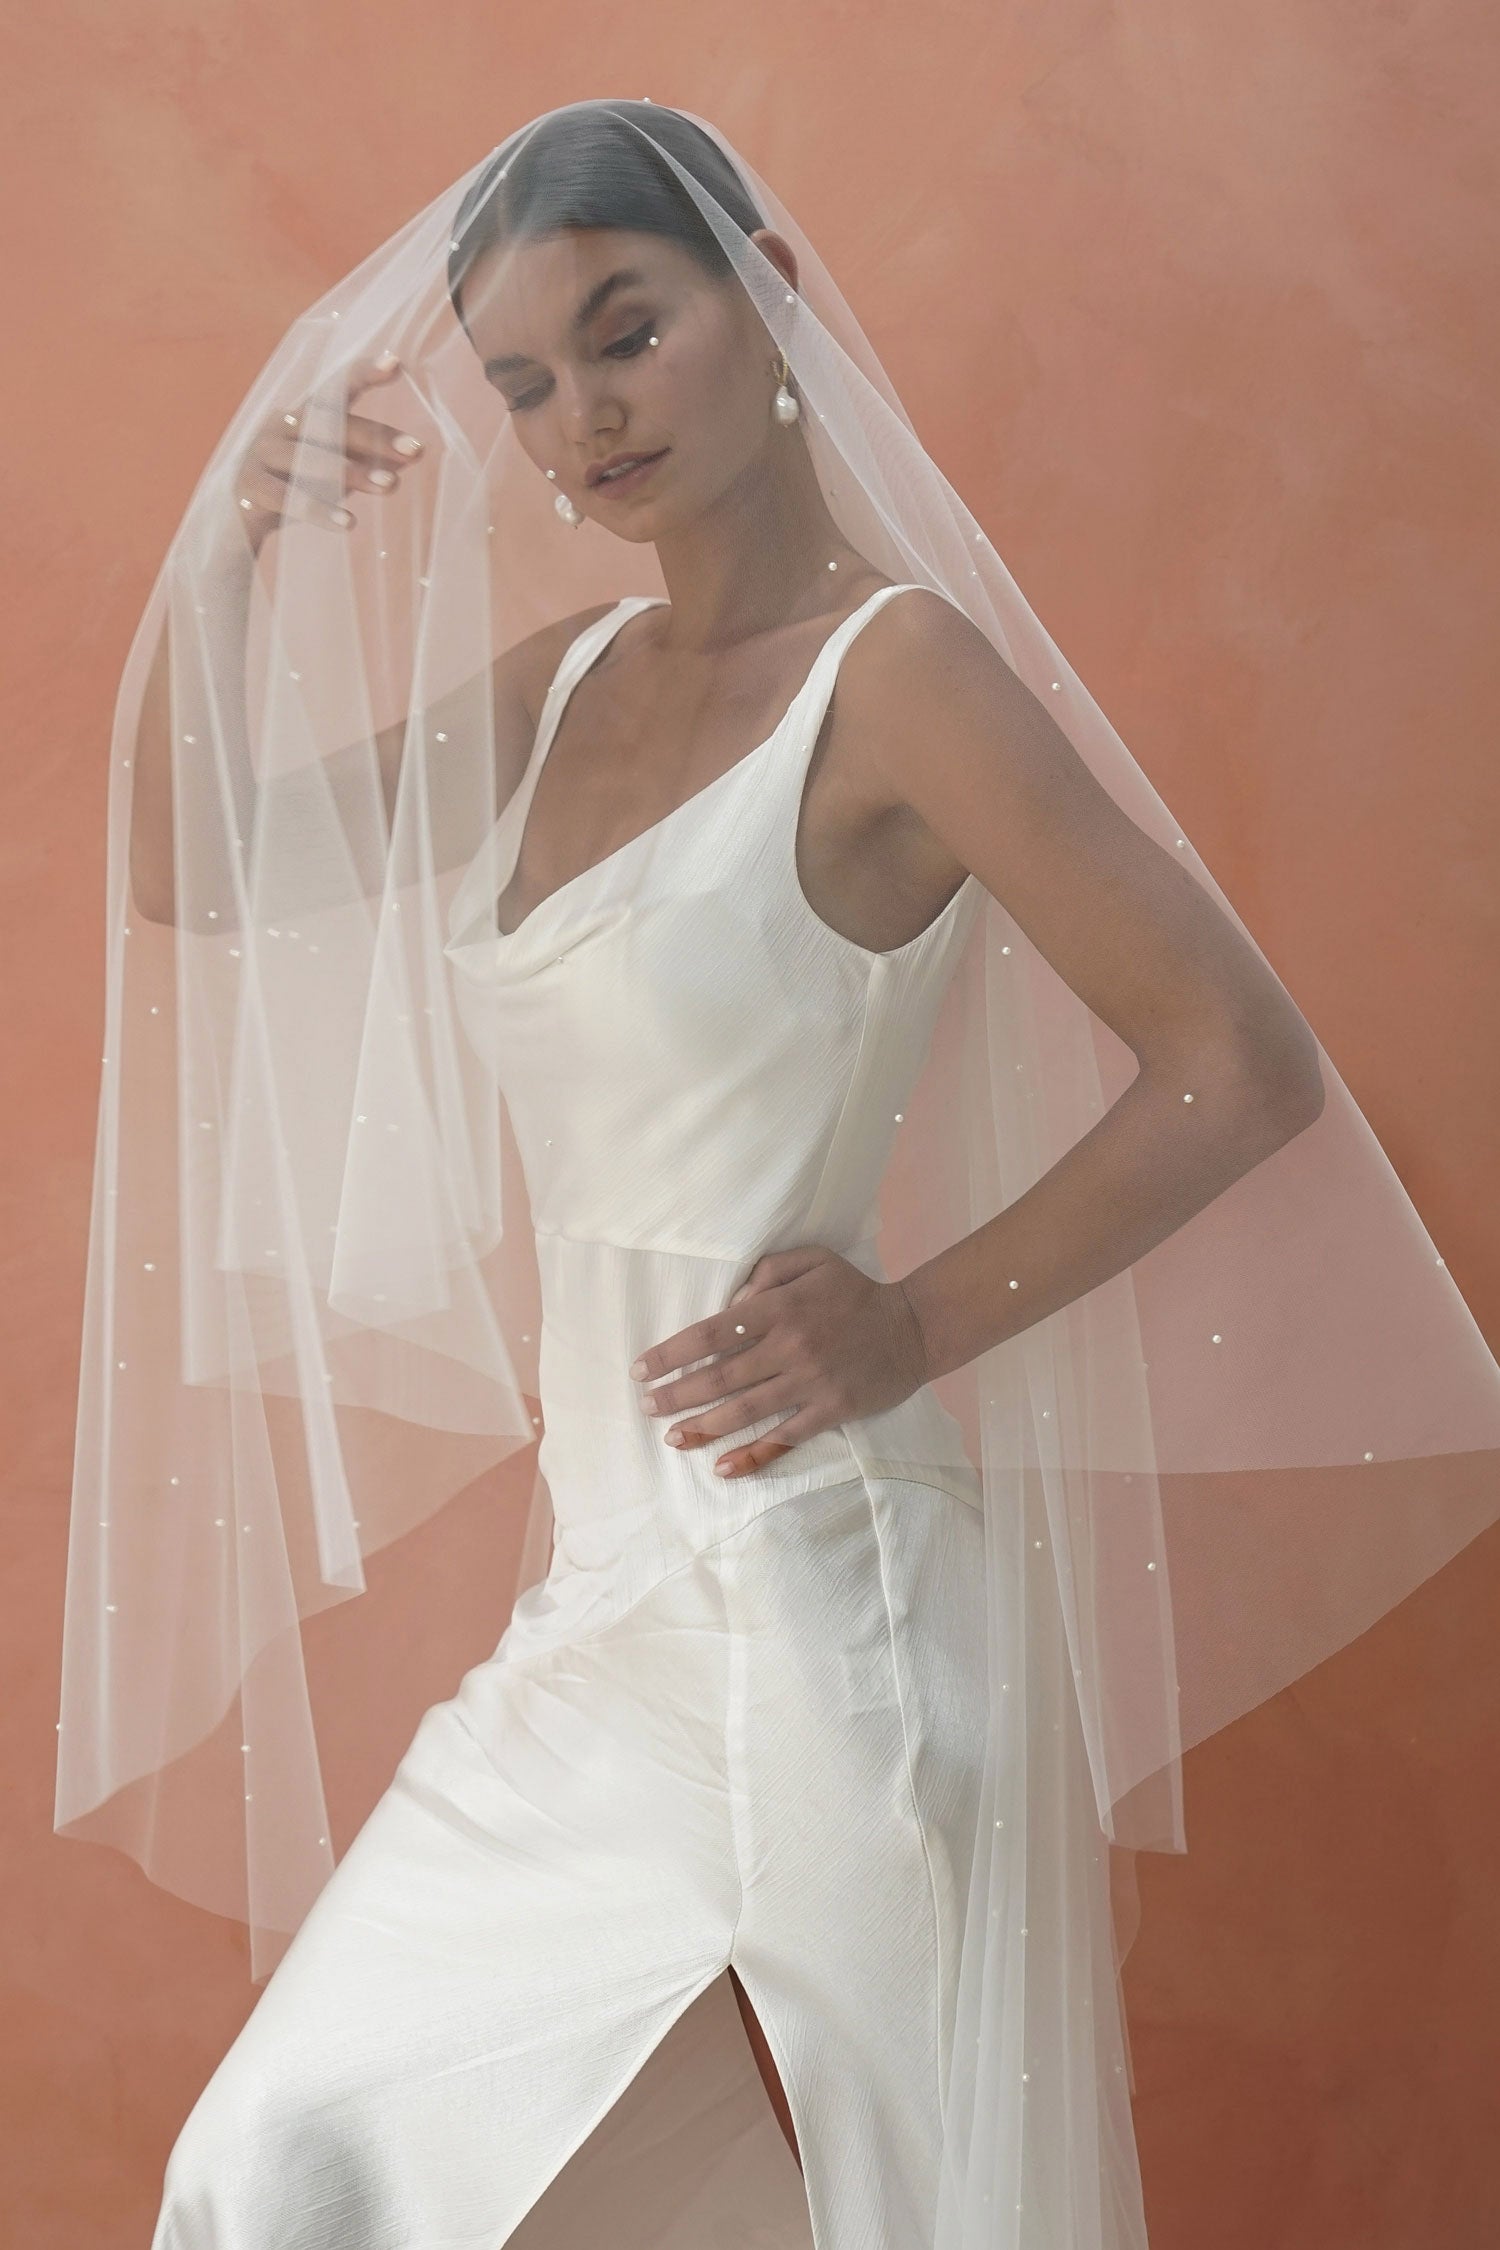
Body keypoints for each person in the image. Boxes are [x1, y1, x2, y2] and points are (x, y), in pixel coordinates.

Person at [56, 99, 1500, 2248]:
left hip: (842, 1622)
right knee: (281, 2168)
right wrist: (235, 548)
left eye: (626, 332)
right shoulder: (562, 694)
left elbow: (1240, 1065)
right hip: (604, 1618)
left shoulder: (895, 676)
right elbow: (196, 862)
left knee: (929, 2215)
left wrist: (913, 1323)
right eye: (527, 382)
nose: (580, 420)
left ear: (775, 301)